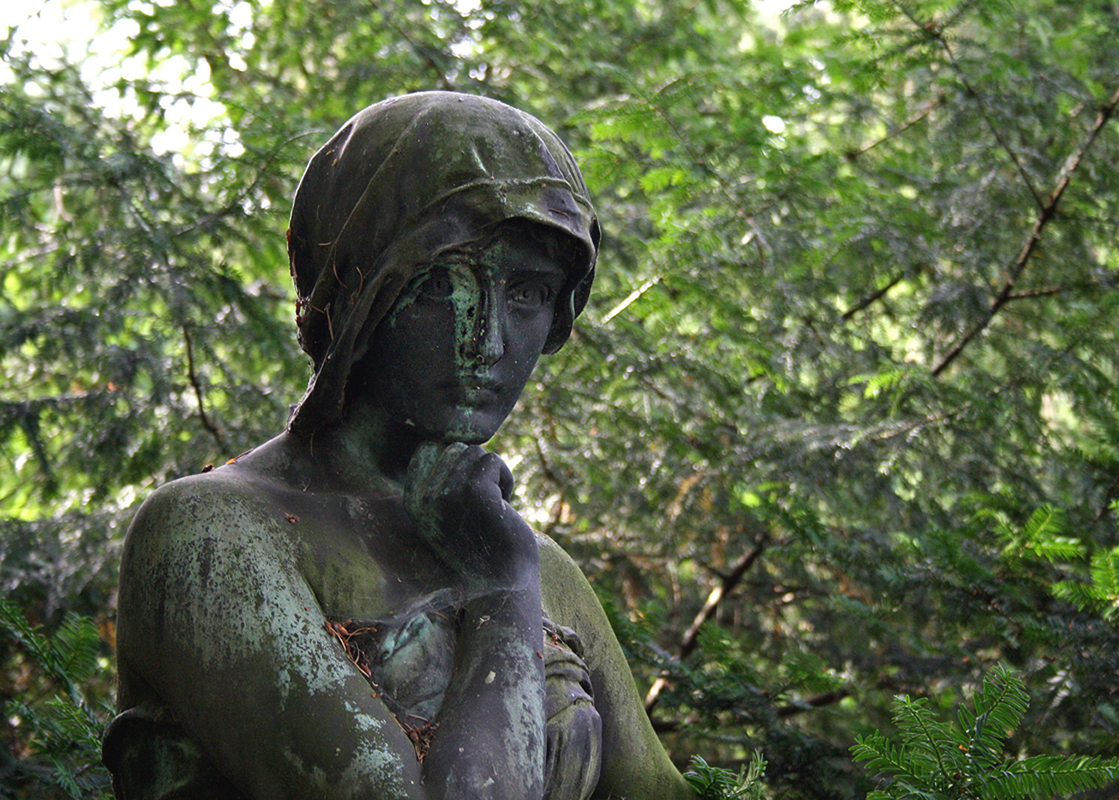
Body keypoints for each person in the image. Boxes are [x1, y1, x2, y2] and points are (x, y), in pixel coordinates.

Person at [102, 91, 696, 800]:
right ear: (358, 293)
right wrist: (501, 590)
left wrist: (511, 573)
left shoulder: (543, 567)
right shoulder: (209, 539)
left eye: (530, 293)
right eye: (442, 285)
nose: (489, 343)